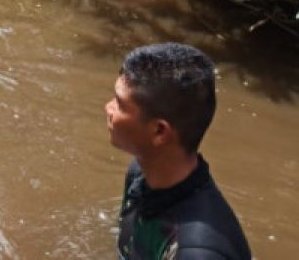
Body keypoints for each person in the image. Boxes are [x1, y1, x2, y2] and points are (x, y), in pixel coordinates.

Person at [107, 43, 251, 260]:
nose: (108, 109)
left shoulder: (198, 253)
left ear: (159, 131)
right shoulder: (140, 173)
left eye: (119, 104)